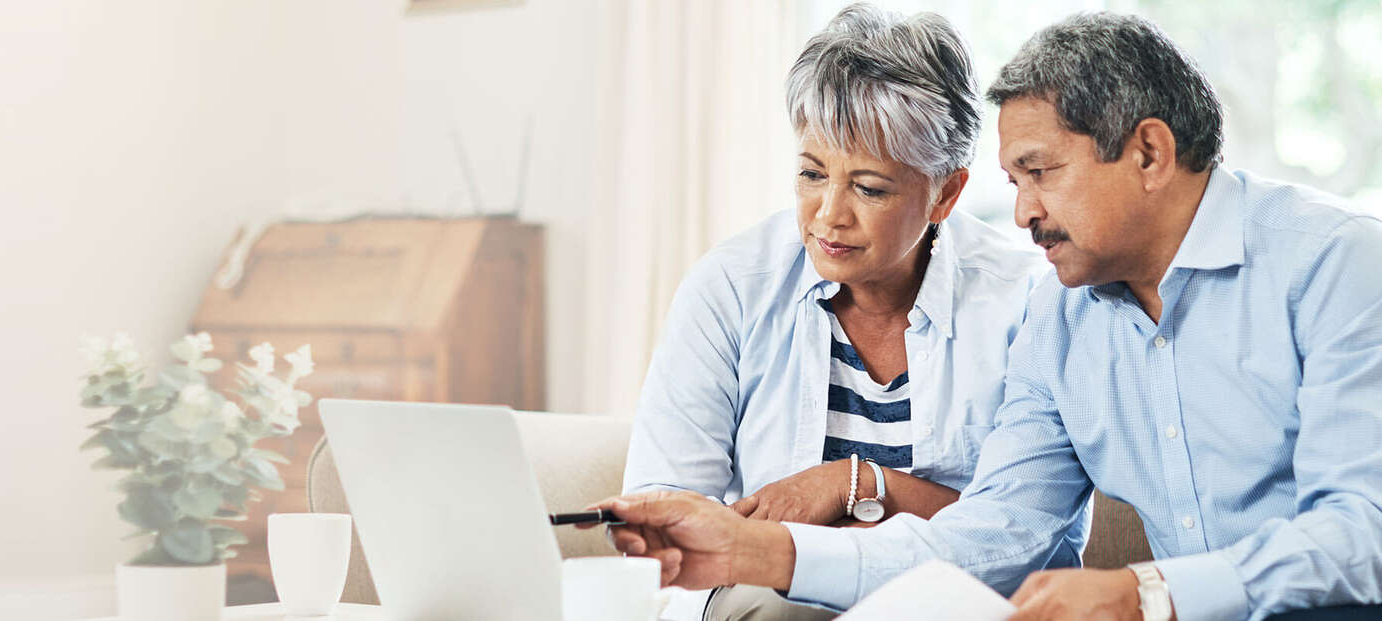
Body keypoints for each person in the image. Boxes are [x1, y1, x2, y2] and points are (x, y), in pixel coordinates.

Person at [589, 11, 1382, 621]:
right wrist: (766, 548)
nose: (1022, 212)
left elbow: (1364, 533)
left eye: (1040, 173)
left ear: (1148, 154)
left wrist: (1145, 591)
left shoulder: (1337, 263)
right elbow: (1000, 529)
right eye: (1015, 178)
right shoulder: (1065, 314)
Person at [618, 5, 1072, 619]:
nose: (829, 214)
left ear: (944, 192)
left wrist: (852, 483)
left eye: (869, 187)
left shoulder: (1027, 301)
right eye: (811, 174)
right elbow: (665, 514)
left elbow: (1027, 536)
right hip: (776, 600)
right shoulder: (731, 287)